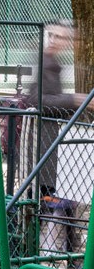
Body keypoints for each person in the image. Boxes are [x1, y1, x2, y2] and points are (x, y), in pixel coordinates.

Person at [26, 20, 88, 197]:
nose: (53, 40)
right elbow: (36, 101)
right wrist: (73, 100)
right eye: (50, 35)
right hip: (40, 140)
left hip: (47, 139)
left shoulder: (51, 62)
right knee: (42, 197)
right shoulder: (41, 61)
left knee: (52, 198)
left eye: (58, 36)